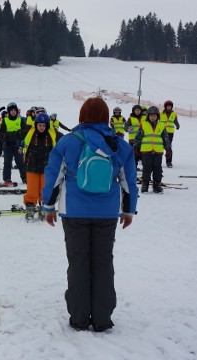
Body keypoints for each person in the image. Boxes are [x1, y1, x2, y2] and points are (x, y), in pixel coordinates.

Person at [42, 97, 138, 332]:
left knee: (78, 262)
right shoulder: (120, 145)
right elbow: (129, 182)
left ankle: (79, 318)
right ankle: (103, 319)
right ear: (106, 117)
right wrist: (128, 210)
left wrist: (48, 206)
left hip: (74, 211)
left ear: (81, 115)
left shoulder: (67, 142)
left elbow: (54, 176)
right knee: (103, 262)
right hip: (106, 213)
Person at [22, 113, 63, 219]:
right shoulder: (30, 133)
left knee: (44, 189)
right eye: (39, 125)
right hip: (32, 166)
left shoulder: (51, 134)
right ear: (36, 125)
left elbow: (64, 139)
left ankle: (43, 208)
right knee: (32, 189)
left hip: (46, 167)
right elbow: (19, 135)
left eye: (44, 125)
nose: (41, 127)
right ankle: (30, 208)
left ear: (47, 126)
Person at [133, 106, 171, 193]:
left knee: (157, 169)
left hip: (158, 151)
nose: (152, 117)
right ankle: (145, 185)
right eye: (151, 115)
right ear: (148, 116)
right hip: (146, 151)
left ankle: (157, 185)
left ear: (157, 116)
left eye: (154, 115)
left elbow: (165, 138)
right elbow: (138, 137)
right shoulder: (144, 124)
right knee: (146, 168)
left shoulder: (161, 125)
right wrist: (135, 147)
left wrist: (168, 149)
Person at [0, 102, 27, 184]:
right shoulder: (5, 120)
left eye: (15, 110)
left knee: (20, 162)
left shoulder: (20, 120)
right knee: (7, 162)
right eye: (12, 110)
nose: (13, 112)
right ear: (9, 111)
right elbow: (2, 133)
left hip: (18, 145)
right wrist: (15, 134)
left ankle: (25, 178)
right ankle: (7, 178)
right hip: (7, 145)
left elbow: (24, 133)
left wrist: (12, 135)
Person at [160, 100, 180, 167]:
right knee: (160, 146)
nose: (169, 107)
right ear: (165, 107)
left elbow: (175, 121)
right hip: (162, 131)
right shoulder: (161, 113)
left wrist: (177, 125)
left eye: (170, 106)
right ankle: (158, 161)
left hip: (170, 132)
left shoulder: (174, 114)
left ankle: (169, 162)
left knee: (168, 147)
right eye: (167, 106)